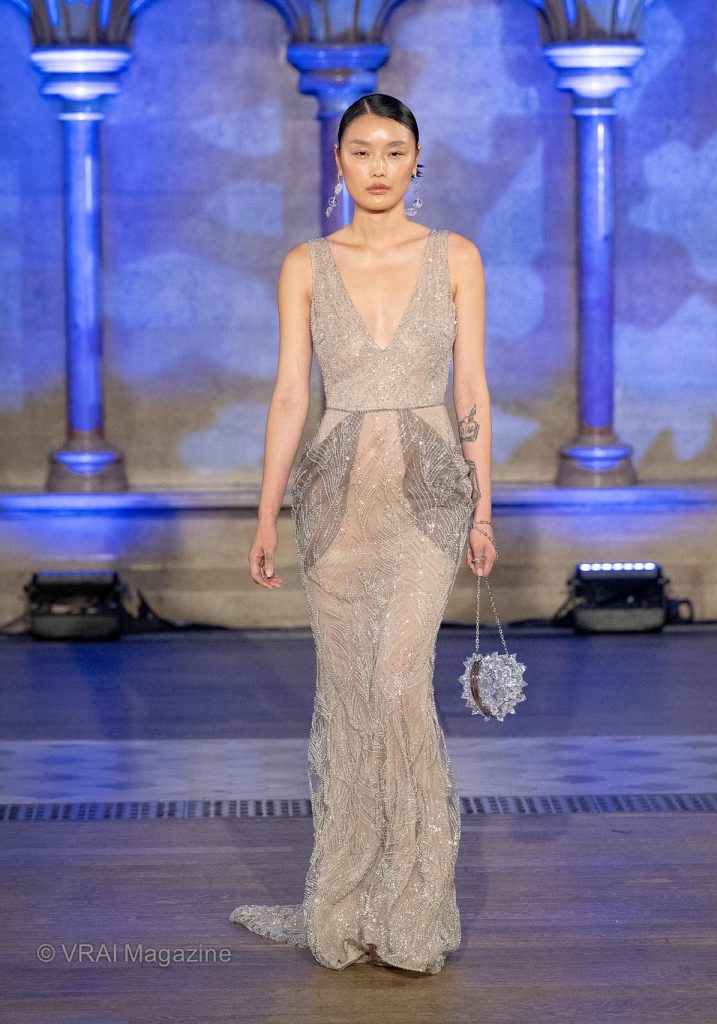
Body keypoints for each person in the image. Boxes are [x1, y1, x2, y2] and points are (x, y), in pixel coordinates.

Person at [229, 93, 495, 974]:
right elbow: (290, 396)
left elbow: (471, 391)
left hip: (427, 494)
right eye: (361, 150)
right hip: (336, 498)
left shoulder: (457, 257)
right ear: (337, 161)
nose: (378, 166)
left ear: (418, 162)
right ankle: (347, 900)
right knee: (349, 694)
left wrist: (484, 508)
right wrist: (266, 513)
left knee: (397, 685)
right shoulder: (305, 265)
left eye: (394, 150)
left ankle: (413, 906)